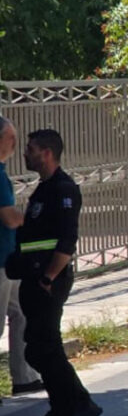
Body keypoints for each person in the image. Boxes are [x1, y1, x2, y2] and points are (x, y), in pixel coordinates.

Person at [17, 129, 101, 416]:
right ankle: (62, 408)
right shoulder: (43, 189)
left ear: (47, 153)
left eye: (30, 149)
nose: (25, 154)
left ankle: (78, 405)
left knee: (43, 347)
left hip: (49, 280)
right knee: (40, 347)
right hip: (35, 277)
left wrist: (49, 276)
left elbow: (67, 241)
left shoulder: (64, 189)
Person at [0, 117, 41, 399]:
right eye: (10, 138)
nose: (14, 145)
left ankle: (25, 377)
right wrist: (33, 221)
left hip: (9, 260)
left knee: (21, 313)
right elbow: (9, 217)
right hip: (0, 260)